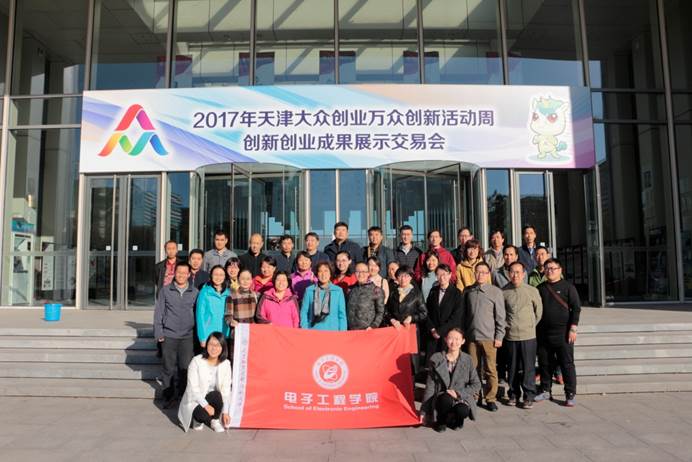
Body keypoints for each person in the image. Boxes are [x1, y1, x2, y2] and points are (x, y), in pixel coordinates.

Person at [535, 258, 581, 407]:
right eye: (547, 268)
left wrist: (573, 328)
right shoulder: (540, 288)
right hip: (543, 333)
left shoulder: (568, 287)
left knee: (567, 364)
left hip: (564, 333)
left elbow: (576, 308)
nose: (550, 271)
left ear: (560, 270)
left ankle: (570, 393)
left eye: (553, 268)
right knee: (545, 363)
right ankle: (545, 389)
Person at [154, 262, 198, 408]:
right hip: (169, 335)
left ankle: (183, 397)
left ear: (189, 274)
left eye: (184, 273)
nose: (181, 275)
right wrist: (159, 332)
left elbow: (198, 314)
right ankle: (168, 396)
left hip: (187, 336)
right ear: (174, 273)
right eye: (179, 272)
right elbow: (159, 312)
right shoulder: (165, 290)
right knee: (168, 368)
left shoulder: (195, 292)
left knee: (185, 368)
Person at [463, 261, 506, 412]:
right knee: (473, 370)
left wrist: (499, 336)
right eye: (478, 272)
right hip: (471, 337)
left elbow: (500, 317)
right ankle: (474, 396)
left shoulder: (495, 292)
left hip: (489, 338)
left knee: (490, 370)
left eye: (484, 272)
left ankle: (490, 398)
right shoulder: (468, 291)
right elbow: (464, 315)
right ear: (474, 273)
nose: (480, 275)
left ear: (488, 274)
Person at [421, 328, 481, 432]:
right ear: (445, 339)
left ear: (463, 341)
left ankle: (457, 420)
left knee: (462, 410)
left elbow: (476, 384)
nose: (453, 342)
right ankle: (441, 420)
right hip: (442, 397)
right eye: (450, 338)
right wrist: (424, 411)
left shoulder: (467, 359)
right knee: (446, 399)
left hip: (461, 397)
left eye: (457, 339)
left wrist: (458, 393)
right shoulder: (436, 358)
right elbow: (430, 386)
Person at [502, 261, 543, 409]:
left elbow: (538, 312)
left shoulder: (532, 291)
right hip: (511, 336)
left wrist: (530, 325)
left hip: (528, 335)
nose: (515, 275)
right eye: (512, 272)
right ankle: (513, 394)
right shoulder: (504, 291)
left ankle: (528, 395)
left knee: (528, 367)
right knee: (512, 367)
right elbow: (501, 314)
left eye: (518, 272)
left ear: (524, 274)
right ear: (508, 274)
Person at [178, 332, 231, 433]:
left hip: (213, 398)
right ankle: (199, 420)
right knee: (201, 414)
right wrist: (206, 406)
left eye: (218, 345)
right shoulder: (196, 361)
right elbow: (193, 389)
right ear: (206, 345)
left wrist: (225, 412)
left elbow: (226, 390)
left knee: (216, 395)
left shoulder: (226, 364)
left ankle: (215, 420)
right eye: (211, 344)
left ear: (223, 348)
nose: (214, 348)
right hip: (196, 399)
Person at [384, 266, 427, 371]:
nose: (403, 279)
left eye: (406, 276)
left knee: (411, 361)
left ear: (411, 277)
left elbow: (424, 313)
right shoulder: (393, 292)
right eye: (400, 276)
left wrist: (411, 318)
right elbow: (386, 311)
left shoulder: (416, 293)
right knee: (395, 360)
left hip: (410, 331)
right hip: (396, 330)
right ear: (397, 278)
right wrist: (392, 320)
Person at [425, 264, 464, 360]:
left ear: (450, 275)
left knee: (447, 362)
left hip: (448, 335)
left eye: (444, 274)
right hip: (433, 335)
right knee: (432, 362)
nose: (442, 277)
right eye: (438, 274)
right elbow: (427, 312)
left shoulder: (457, 293)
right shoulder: (433, 291)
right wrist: (432, 329)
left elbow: (456, 317)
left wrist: (440, 331)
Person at [301, 262, 348, 331]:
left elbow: (342, 315)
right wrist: (305, 330)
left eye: (326, 271)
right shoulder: (309, 291)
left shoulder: (338, 291)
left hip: (333, 332)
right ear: (317, 274)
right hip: (313, 331)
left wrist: (342, 332)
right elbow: (304, 313)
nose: (323, 274)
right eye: (320, 271)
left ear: (330, 273)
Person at [196, 266, 231, 348]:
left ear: (225, 276)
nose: (218, 277)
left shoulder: (228, 293)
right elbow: (200, 316)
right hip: (209, 334)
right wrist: (202, 337)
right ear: (211, 276)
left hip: (224, 333)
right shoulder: (205, 292)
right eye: (215, 274)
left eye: (221, 275)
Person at [347, 261, 385, 330]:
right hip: (351, 330)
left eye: (363, 271)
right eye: (358, 271)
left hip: (367, 331)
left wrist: (373, 326)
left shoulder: (376, 290)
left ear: (368, 273)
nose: (360, 274)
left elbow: (380, 312)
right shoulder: (350, 289)